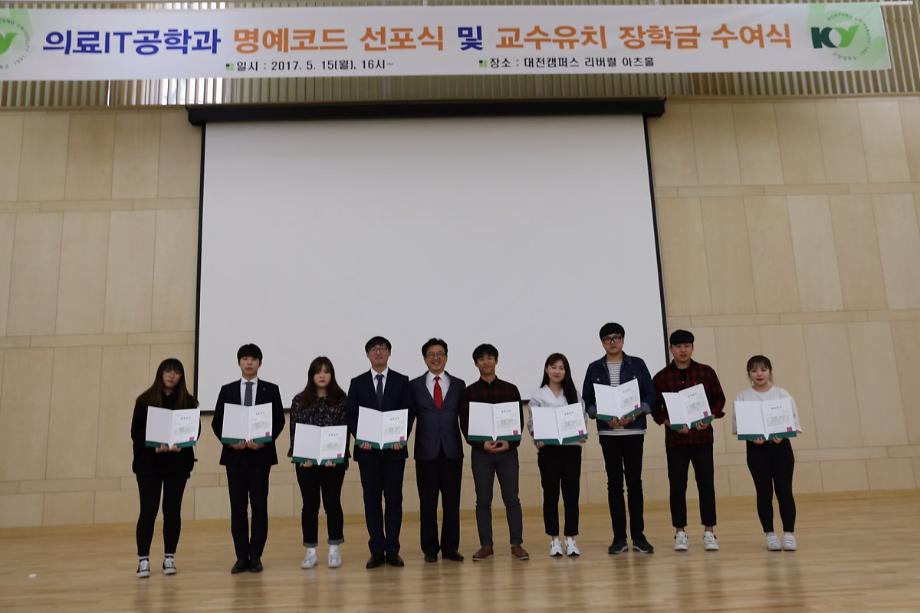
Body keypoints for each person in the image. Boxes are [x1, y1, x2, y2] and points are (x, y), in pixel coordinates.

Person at [582, 323, 657, 555]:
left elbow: (650, 395)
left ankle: (639, 537)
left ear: (623, 340)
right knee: (614, 484)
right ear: (602, 343)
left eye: (616, 337)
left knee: (634, 483)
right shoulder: (594, 367)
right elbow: (588, 400)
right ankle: (619, 538)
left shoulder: (638, 364)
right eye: (607, 338)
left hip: (634, 431)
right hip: (608, 433)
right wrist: (602, 416)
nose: (612, 342)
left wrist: (636, 413)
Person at [211, 343, 285, 574]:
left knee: (260, 507)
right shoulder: (227, 390)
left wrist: (264, 441)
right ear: (239, 363)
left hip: (260, 456)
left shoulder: (271, 389)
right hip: (235, 457)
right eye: (245, 358)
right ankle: (241, 556)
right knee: (238, 508)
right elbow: (217, 422)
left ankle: (256, 556)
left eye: (253, 358)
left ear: (260, 363)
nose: (249, 362)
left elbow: (279, 421)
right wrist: (229, 441)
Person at [652, 329, 725, 552]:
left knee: (706, 485)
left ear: (692, 347)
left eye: (687, 346)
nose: (682, 350)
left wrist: (709, 416)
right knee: (677, 487)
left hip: (702, 438)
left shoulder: (706, 372)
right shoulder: (661, 377)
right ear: (671, 349)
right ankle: (680, 532)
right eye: (678, 346)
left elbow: (719, 399)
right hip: (676, 441)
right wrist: (667, 422)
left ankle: (709, 531)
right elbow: (655, 408)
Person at [346, 336, 413, 569]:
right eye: (374, 349)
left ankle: (393, 550)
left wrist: (401, 437)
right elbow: (351, 415)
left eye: (383, 348)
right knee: (372, 501)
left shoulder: (402, 381)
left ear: (389, 353)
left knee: (394, 500)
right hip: (368, 453)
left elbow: (409, 413)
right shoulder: (357, 383)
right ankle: (376, 550)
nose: (378, 352)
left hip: (395, 452)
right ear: (367, 354)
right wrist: (360, 437)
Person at [130, 358, 199, 578]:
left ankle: (169, 557)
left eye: (176, 372)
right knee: (148, 510)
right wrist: (153, 446)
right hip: (149, 465)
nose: (171, 375)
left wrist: (183, 443)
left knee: (172, 510)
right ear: (160, 373)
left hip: (177, 466)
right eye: (168, 371)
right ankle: (143, 559)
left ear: (181, 376)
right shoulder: (145, 400)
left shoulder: (189, 402)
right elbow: (136, 432)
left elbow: (195, 432)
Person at [460, 343, 529, 562]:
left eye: (490, 358)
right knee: (483, 500)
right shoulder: (469, 392)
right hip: (482, 454)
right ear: (476, 364)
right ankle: (486, 545)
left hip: (507, 453)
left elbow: (518, 421)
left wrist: (511, 443)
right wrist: (481, 445)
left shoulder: (511, 389)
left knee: (512, 499)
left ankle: (516, 544)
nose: (486, 362)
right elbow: (465, 425)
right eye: (481, 359)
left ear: (496, 361)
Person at [733, 355, 801, 552]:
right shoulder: (743, 396)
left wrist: (783, 434)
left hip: (781, 448)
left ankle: (789, 534)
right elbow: (739, 425)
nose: (759, 374)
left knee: (784, 491)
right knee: (763, 492)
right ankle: (770, 534)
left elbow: (793, 421)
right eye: (754, 370)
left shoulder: (782, 394)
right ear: (748, 374)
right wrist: (751, 437)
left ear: (770, 371)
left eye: (763, 369)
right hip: (756, 450)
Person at [288, 356, 350, 569]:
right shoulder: (299, 400)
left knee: (332, 503)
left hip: (333, 463)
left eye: (326, 371)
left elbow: (344, 429)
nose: (322, 375)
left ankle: (334, 549)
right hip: (307, 463)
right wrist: (301, 456)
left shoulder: (341, 399)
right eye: (318, 371)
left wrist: (337, 456)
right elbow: (295, 430)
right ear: (311, 375)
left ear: (331, 375)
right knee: (310, 505)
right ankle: (310, 551)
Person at [409, 338, 466, 563]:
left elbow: (467, 418)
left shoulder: (459, 384)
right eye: (431, 354)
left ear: (446, 357)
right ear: (425, 358)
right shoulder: (414, 385)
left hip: (452, 452)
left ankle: (451, 548)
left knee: (452, 503)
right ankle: (430, 549)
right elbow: (407, 418)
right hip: (426, 453)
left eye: (440, 353)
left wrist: (479, 440)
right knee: (428, 504)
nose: (436, 357)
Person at [527, 353, 586, 558]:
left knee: (571, 494)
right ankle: (554, 539)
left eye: (561, 368)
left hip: (571, 449)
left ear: (566, 371)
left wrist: (580, 433)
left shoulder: (574, 394)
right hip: (549, 451)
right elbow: (532, 423)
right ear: (546, 369)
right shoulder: (538, 395)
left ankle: (570, 538)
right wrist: (538, 437)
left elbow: (582, 418)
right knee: (551, 494)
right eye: (553, 367)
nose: (557, 371)